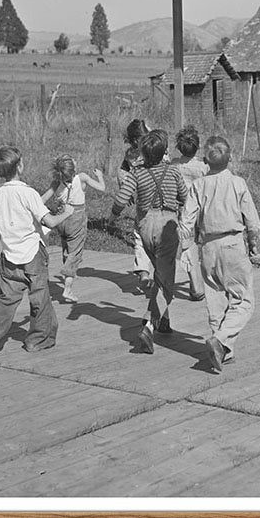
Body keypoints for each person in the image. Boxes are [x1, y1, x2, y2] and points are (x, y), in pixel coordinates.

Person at [0, 146, 74, 358]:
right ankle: (38, 340)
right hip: (32, 255)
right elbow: (50, 220)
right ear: (19, 166)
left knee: (6, 298)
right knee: (40, 298)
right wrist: (68, 212)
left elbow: (28, 206)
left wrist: (52, 188)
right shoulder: (28, 193)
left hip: (9, 256)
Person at [178, 135, 260, 373]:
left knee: (215, 299)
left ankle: (225, 351)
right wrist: (253, 244)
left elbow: (186, 221)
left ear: (205, 161)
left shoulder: (197, 185)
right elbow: (253, 223)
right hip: (232, 244)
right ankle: (222, 339)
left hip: (207, 248)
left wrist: (185, 248)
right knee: (243, 301)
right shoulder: (238, 183)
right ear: (231, 158)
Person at [111, 128, 187, 354]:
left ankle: (164, 321)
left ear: (142, 153)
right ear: (164, 152)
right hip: (167, 226)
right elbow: (184, 196)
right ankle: (149, 325)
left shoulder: (136, 173)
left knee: (159, 273)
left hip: (145, 225)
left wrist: (113, 215)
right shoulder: (173, 172)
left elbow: (122, 198)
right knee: (165, 280)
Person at [41, 156, 105, 302]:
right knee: (75, 252)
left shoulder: (57, 182)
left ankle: (67, 270)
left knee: (66, 248)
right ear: (73, 168)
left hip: (61, 218)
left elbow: (42, 199)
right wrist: (100, 176)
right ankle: (68, 289)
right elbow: (102, 188)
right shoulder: (82, 177)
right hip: (77, 217)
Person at [169, 125, 208, 302]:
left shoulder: (174, 165)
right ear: (197, 147)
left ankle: (195, 284)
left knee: (188, 245)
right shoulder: (203, 167)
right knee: (198, 245)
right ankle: (200, 285)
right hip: (201, 210)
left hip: (182, 210)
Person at [117, 118, 152, 290]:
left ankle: (145, 271)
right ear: (135, 140)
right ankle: (144, 272)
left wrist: (125, 183)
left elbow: (123, 170)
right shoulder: (150, 150)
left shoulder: (137, 152)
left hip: (150, 200)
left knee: (143, 237)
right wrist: (125, 186)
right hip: (147, 201)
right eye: (143, 138)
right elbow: (123, 170)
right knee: (140, 237)